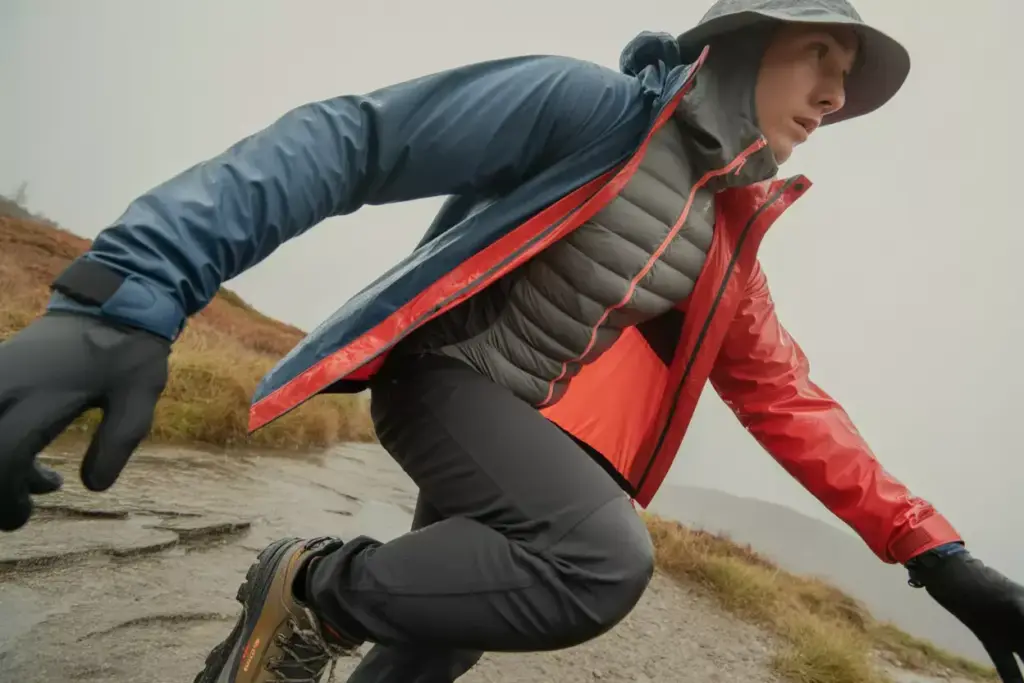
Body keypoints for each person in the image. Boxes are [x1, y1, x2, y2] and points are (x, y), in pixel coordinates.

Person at [0, 0, 1021, 681]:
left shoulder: (727, 241)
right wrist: (126, 289)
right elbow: (355, 139)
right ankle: (310, 579)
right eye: (822, 59)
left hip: (515, 416)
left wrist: (936, 555)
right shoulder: (587, 108)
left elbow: (789, 400)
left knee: (441, 637)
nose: (838, 96)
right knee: (591, 556)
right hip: (442, 378)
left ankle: (287, 641)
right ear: (745, 42)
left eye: (847, 78)